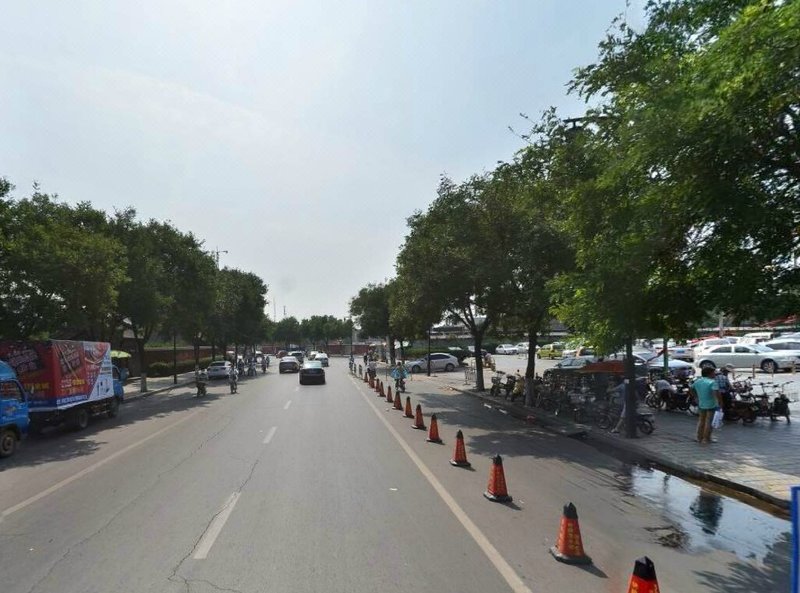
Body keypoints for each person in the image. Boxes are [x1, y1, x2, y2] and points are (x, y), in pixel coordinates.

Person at [692, 366, 722, 443]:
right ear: (709, 373)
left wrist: (696, 397)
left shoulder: (697, 381)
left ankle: (699, 437)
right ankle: (706, 438)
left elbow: (692, 389)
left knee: (701, 420)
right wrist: (720, 402)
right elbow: (716, 393)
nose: (715, 374)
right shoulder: (712, 382)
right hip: (711, 404)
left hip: (701, 403)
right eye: (713, 373)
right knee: (709, 421)